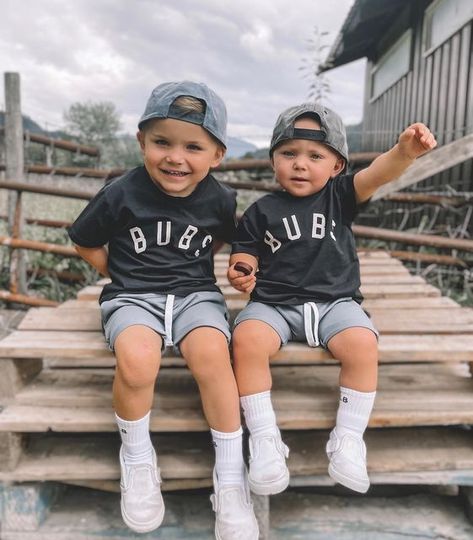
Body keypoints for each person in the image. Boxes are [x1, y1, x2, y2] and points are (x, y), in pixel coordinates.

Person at [68, 81, 259, 539]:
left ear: (217, 155)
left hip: (196, 294)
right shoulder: (121, 193)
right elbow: (82, 238)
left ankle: (230, 477)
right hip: (134, 296)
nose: (175, 157)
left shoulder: (219, 198)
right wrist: (121, 273)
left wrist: (241, 267)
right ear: (142, 142)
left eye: (193, 146)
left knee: (214, 357)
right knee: (136, 361)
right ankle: (136, 459)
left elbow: (229, 241)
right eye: (162, 142)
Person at [228, 103, 437, 496]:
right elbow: (245, 249)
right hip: (274, 304)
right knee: (246, 339)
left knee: (361, 342)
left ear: (336, 166)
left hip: (334, 303)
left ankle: (348, 438)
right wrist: (241, 269)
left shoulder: (341, 196)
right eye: (288, 154)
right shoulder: (262, 210)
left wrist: (405, 153)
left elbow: (378, 173)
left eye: (315, 156)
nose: (300, 165)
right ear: (273, 160)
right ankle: (265, 437)